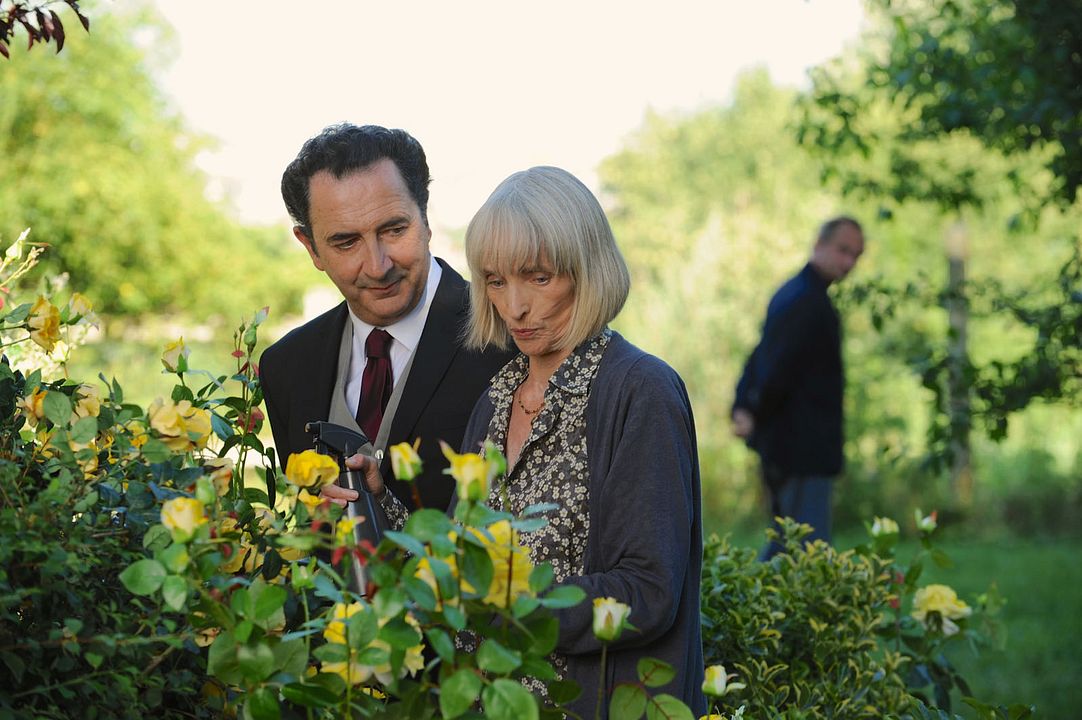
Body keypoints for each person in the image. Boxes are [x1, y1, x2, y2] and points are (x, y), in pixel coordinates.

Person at [337, 166, 706, 717]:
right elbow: (461, 564)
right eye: (494, 281)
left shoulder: (639, 390)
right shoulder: (498, 396)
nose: (514, 307)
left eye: (538, 277)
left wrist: (506, 605)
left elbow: (648, 592)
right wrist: (379, 502)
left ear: (587, 271)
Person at [260, 124, 512, 514]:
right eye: (346, 242)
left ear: (425, 219)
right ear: (310, 248)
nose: (378, 267)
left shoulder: (510, 337)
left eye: (394, 230)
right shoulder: (285, 367)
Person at [732, 216, 865, 560]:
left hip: (796, 447)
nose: (848, 262)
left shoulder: (799, 294)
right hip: (799, 450)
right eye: (843, 250)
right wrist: (751, 410)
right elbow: (774, 368)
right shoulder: (806, 301)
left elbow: (762, 356)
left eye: (855, 255)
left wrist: (744, 405)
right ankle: (735, 594)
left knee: (790, 546)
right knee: (803, 552)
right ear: (819, 244)